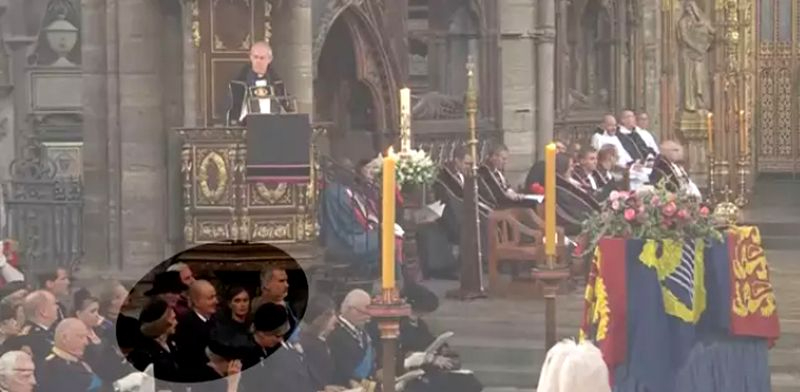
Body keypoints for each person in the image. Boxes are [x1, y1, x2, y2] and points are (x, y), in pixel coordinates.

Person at [394, 283, 482, 392]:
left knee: (470, 383)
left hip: (427, 370)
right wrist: (431, 359)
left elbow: (431, 342)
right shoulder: (398, 326)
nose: (420, 316)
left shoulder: (421, 325)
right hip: (409, 375)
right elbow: (403, 355)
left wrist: (446, 353)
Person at [73, 289, 131, 385]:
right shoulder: (78, 337)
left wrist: (108, 325)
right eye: (92, 312)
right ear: (79, 314)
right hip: (103, 381)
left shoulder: (101, 330)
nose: (97, 315)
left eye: (98, 311)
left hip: (120, 373)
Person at [226, 41, 292, 125]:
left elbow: (286, 107)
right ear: (250, 57)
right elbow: (232, 109)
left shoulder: (277, 83)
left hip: (274, 126)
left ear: (270, 59)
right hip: (247, 127)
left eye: (262, 58)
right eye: (255, 57)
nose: (258, 61)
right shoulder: (238, 83)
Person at [126, 298, 184, 388]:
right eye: (173, 319)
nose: (176, 322)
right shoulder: (144, 354)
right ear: (162, 324)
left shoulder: (171, 342)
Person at [36, 318, 102, 392]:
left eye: (86, 337)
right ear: (64, 338)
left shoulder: (78, 360)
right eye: (81, 337)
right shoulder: (53, 368)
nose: (86, 342)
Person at [328, 289, 375, 386]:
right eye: (364, 312)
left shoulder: (364, 332)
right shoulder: (334, 332)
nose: (368, 318)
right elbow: (342, 368)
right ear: (350, 309)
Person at [175, 280, 219, 379]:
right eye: (210, 298)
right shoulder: (186, 326)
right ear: (196, 301)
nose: (216, 301)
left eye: (215, 296)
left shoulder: (217, 319)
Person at [3, 291, 59, 368]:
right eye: (54, 304)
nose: (57, 307)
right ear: (43, 312)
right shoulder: (31, 338)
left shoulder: (48, 333)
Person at [298, 295, 339, 391]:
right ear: (318, 317)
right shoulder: (305, 343)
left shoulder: (324, 341)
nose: (335, 319)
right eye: (330, 315)